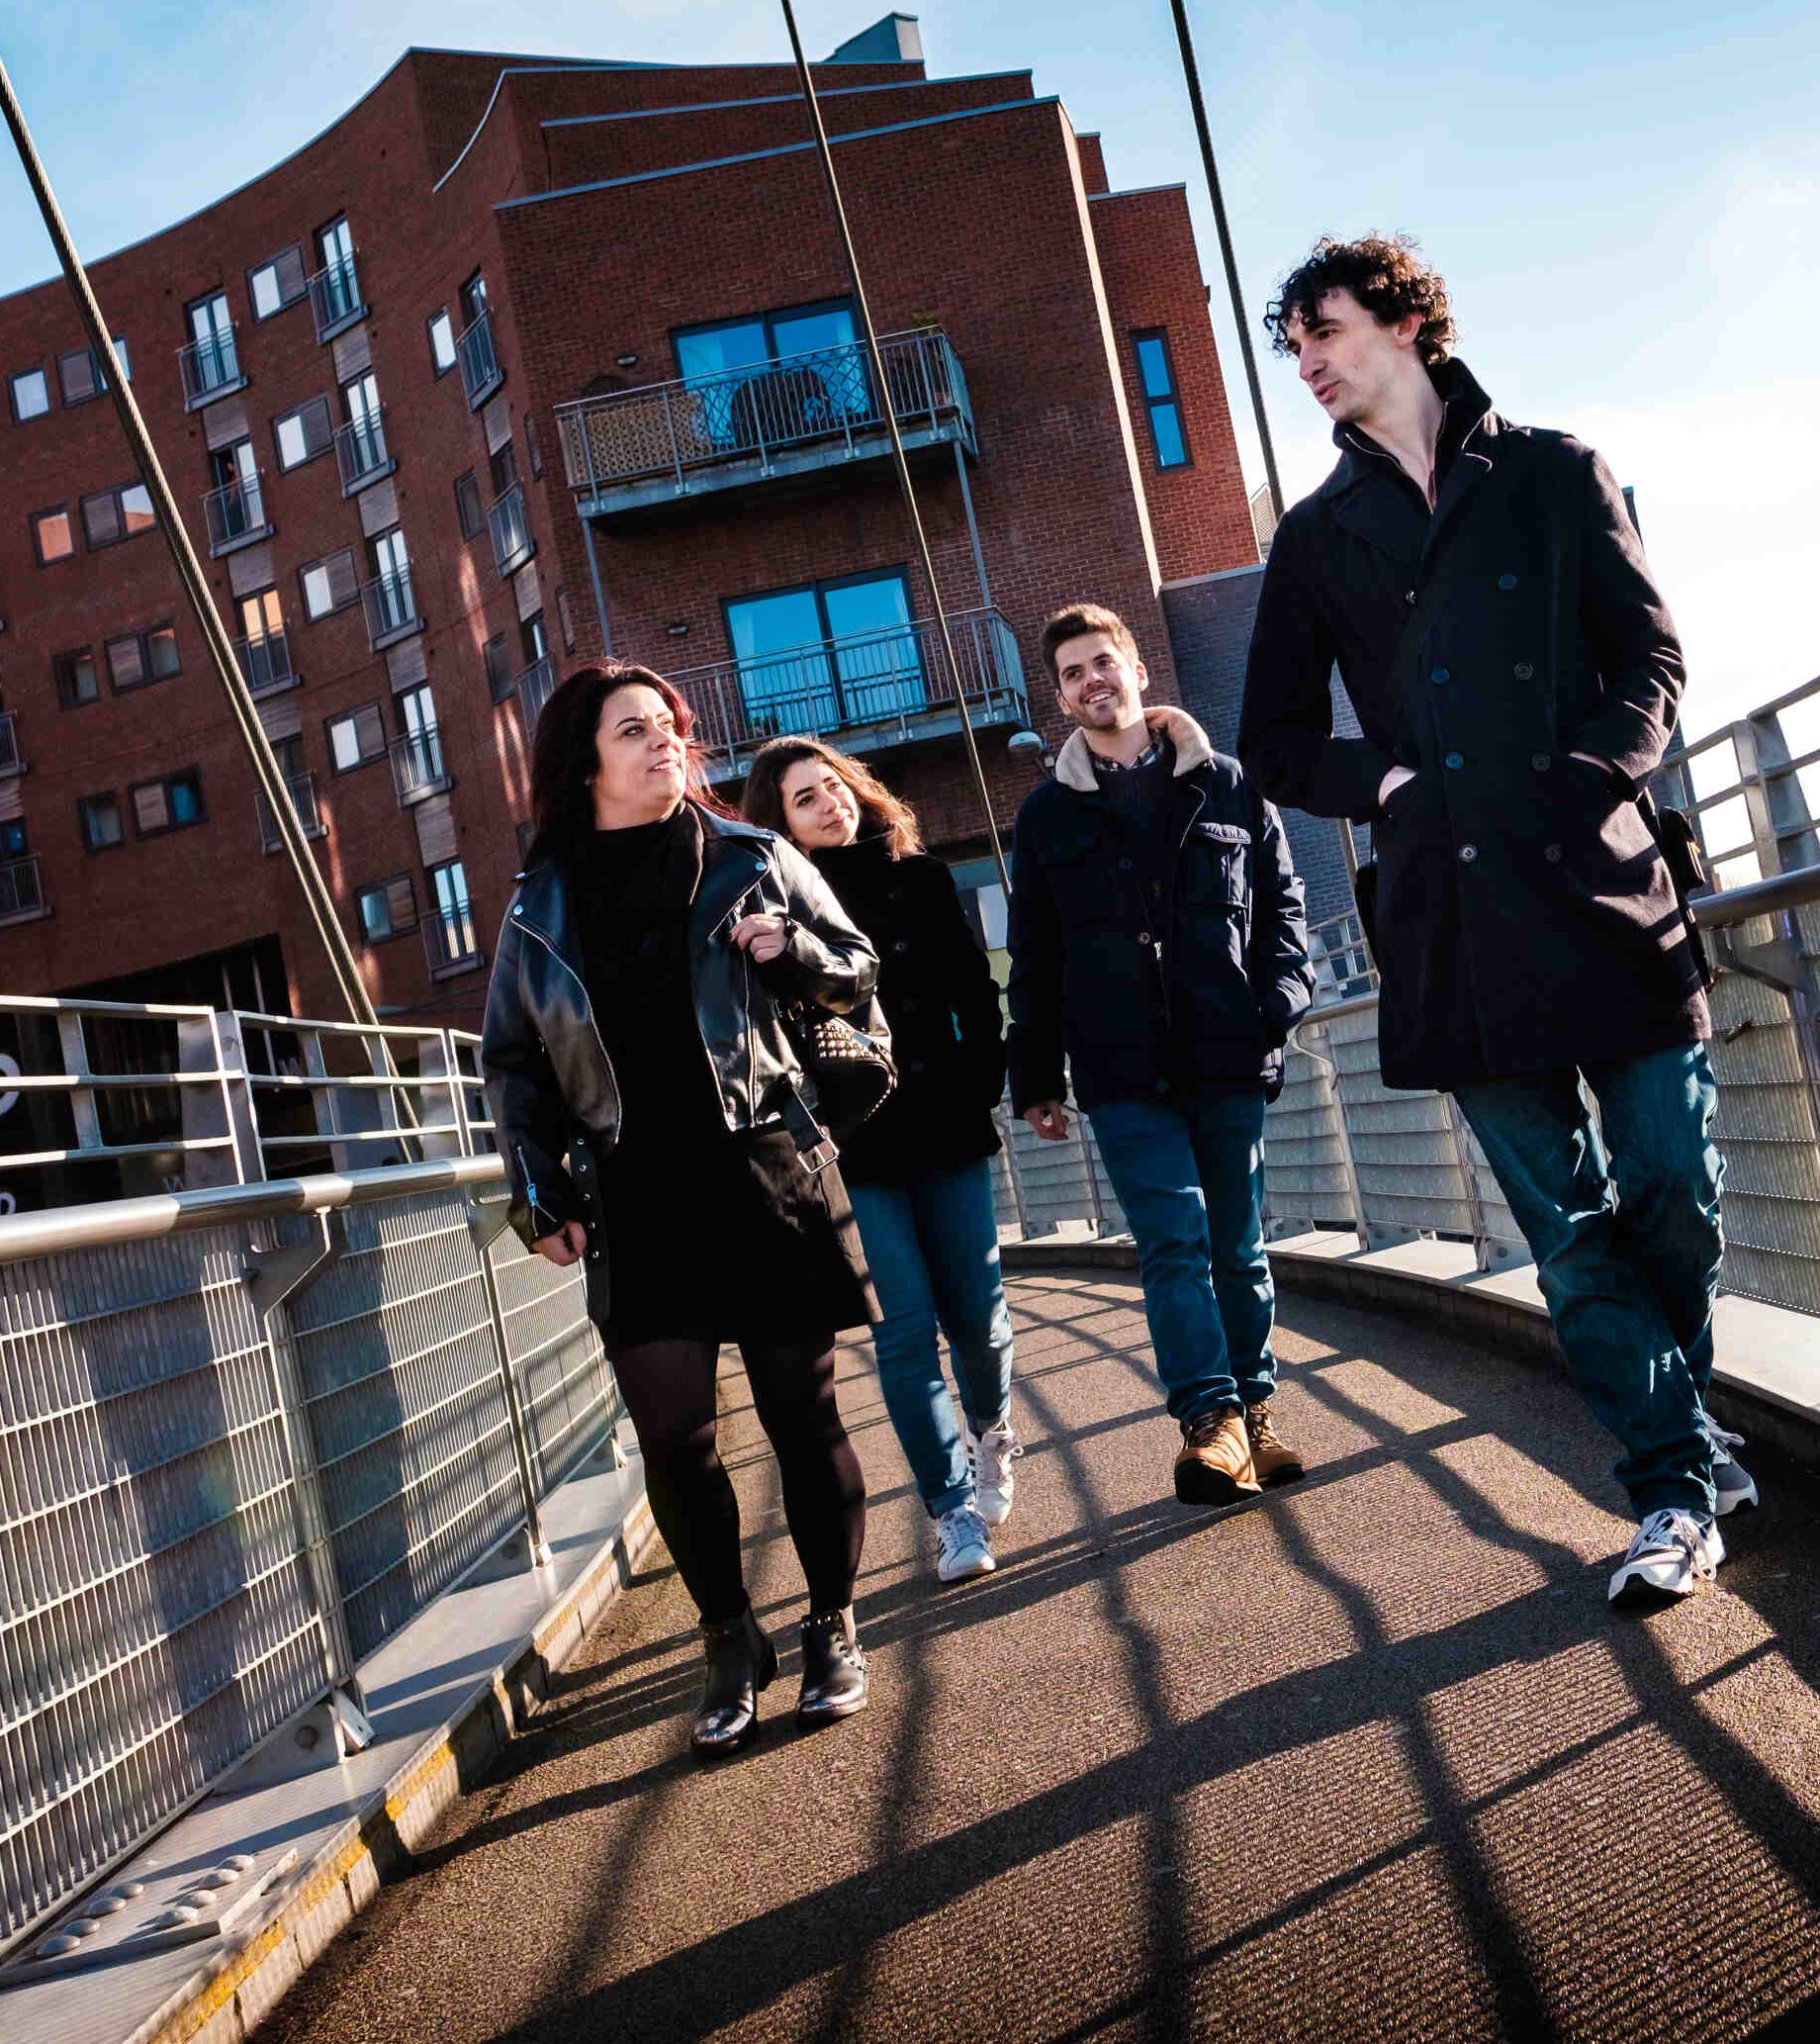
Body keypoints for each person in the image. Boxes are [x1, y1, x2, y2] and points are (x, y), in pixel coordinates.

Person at [1239, 233, 1752, 1609]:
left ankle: (1688, 1428)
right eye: (1293, 348)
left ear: (1405, 322)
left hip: (1600, 886)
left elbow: (1652, 658)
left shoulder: (1552, 471)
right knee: (1572, 1232)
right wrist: (1389, 779)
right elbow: (1275, 739)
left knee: (1675, 1199)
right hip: (1452, 923)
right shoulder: (1315, 537)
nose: (1308, 365)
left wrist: (1589, 779)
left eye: (1324, 332)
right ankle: (1670, 1484)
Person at [482, 664, 889, 1746]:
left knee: (805, 1418)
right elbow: (514, 1064)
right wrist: (537, 1189)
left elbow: (856, 969)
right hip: (636, 1195)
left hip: (765, 1176)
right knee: (675, 1442)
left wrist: (790, 948)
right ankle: (727, 1638)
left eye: (670, 728)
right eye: (635, 731)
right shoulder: (541, 906)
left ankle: (835, 1626)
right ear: (585, 761)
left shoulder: (753, 859)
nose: (664, 745)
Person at [1004, 604, 1315, 1504]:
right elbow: (1036, 958)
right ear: (1060, 697)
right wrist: (1035, 1076)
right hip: (1120, 1068)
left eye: (1102, 661)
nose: (1090, 680)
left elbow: (1282, 907)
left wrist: (1278, 1006)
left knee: (1238, 1246)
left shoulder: (1226, 782)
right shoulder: (1049, 816)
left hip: (1226, 1051)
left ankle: (1258, 1412)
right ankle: (1211, 1422)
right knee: (1173, 1241)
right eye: (1070, 672)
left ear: (1137, 669)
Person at [742, 734, 1018, 1585]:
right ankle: (951, 1512)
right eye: (805, 798)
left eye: (834, 786)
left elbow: (976, 991)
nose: (831, 804)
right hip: (853, 1149)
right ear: (778, 823)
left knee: (978, 1318)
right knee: (902, 1336)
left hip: (946, 1122)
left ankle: (993, 1428)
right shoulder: (773, 921)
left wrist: (983, 1082)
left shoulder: (924, 878)